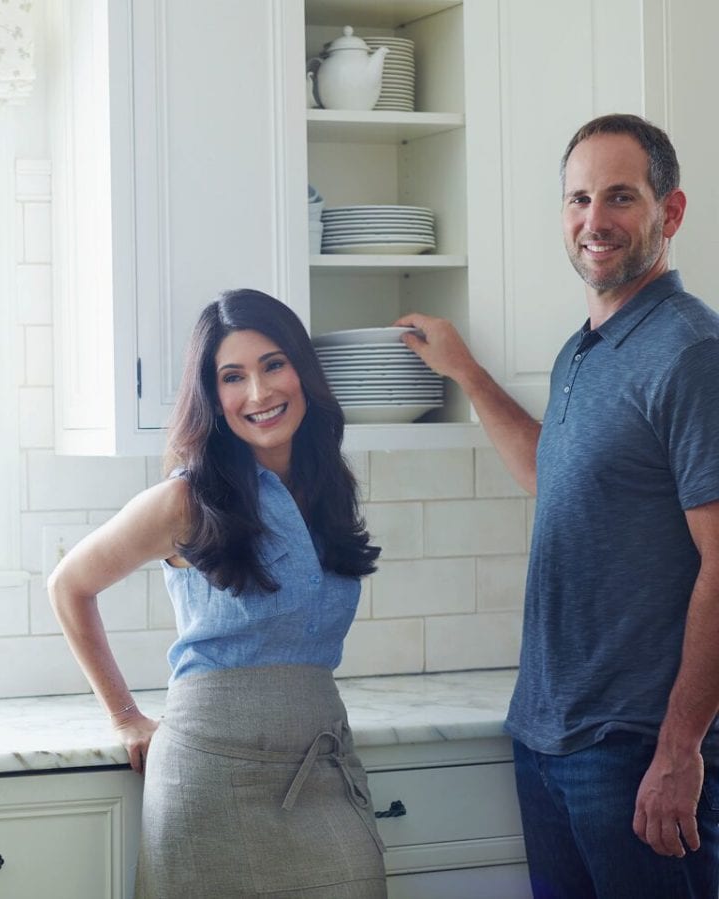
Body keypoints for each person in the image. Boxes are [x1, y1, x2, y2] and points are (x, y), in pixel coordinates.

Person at [396, 113, 719, 898]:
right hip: (548, 736)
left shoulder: (691, 352)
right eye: (578, 199)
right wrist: (467, 373)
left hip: (636, 746)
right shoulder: (585, 348)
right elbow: (556, 473)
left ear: (669, 213)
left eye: (620, 197)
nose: (593, 221)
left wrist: (679, 747)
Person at [48, 288, 387, 898]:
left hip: (322, 767)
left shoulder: (328, 487)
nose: (258, 394)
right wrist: (126, 717)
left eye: (273, 365)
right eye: (233, 377)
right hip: (208, 780)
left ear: (303, 372)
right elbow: (69, 585)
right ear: (212, 396)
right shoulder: (183, 500)